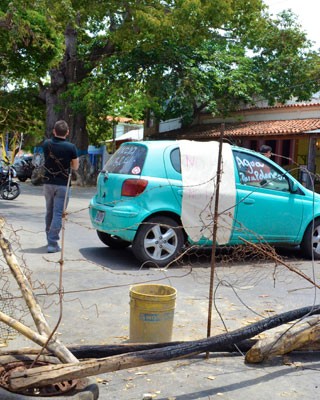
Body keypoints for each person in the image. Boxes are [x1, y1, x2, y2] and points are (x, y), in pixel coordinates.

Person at [43, 120, 79, 253]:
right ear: (67, 132)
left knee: (49, 211)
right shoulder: (71, 147)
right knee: (58, 213)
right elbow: (75, 166)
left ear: (54, 131)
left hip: (48, 182)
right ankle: (53, 243)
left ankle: (49, 239)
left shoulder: (46, 144)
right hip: (63, 184)